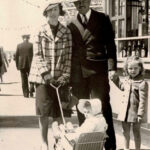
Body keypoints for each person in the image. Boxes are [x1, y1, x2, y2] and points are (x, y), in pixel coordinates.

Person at [67, 0, 117, 149]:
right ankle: (86, 145)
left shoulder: (102, 18)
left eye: (83, 1)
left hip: (98, 70)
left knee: (102, 107)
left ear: (89, 2)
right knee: (82, 108)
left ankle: (109, 145)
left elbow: (110, 45)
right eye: (77, 2)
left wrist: (112, 68)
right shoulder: (70, 23)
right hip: (78, 73)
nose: (80, 4)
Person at [29, 0, 72, 149]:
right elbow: (37, 55)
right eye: (50, 10)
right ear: (45, 12)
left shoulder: (66, 31)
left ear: (59, 11)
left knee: (60, 112)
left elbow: (68, 56)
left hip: (60, 78)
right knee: (43, 112)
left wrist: (65, 75)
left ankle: (60, 142)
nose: (53, 12)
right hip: (42, 78)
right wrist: (46, 75)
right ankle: (44, 142)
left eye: (55, 9)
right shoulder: (39, 31)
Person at [111, 56, 148, 150]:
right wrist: (114, 78)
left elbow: (143, 101)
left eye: (135, 68)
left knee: (136, 132)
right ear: (127, 69)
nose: (133, 70)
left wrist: (140, 114)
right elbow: (121, 86)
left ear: (140, 68)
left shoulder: (142, 83)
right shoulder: (127, 80)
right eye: (130, 68)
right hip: (125, 112)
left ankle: (137, 148)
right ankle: (126, 148)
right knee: (125, 131)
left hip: (135, 113)